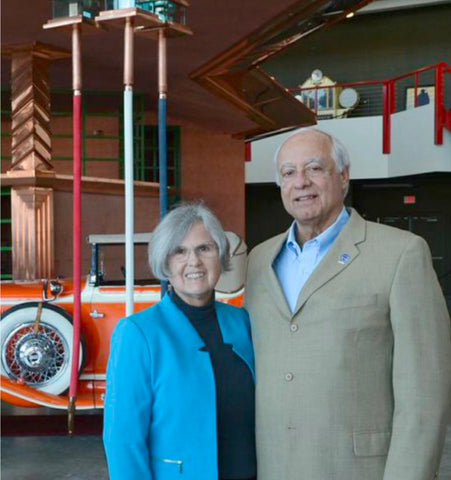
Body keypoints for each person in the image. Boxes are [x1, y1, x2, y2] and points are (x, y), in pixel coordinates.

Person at [244, 127, 451, 480]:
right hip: (275, 467)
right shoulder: (260, 260)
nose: (301, 182)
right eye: (288, 173)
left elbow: (425, 394)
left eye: (314, 168)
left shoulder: (401, 253)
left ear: (342, 176)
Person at [103, 203, 256, 480]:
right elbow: (123, 440)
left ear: (220, 256)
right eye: (180, 251)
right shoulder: (138, 333)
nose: (194, 261)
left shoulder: (242, 322)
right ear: (165, 262)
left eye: (204, 249)